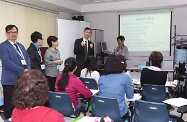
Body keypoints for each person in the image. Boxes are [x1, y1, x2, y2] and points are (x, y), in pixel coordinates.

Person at [0, 25, 31, 119]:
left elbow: (27, 58)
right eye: (10, 32)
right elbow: (6, 61)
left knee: (21, 103)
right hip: (10, 80)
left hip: (22, 80)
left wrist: (28, 69)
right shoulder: (3, 46)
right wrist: (22, 70)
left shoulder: (20, 46)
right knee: (10, 105)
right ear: (6, 33)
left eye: (15, 32)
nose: (13, 34)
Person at [98, 55, 134, 121]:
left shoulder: (101, 78)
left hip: (103, 114)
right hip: (119, 114)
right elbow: (130, 96)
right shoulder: (125, 77)